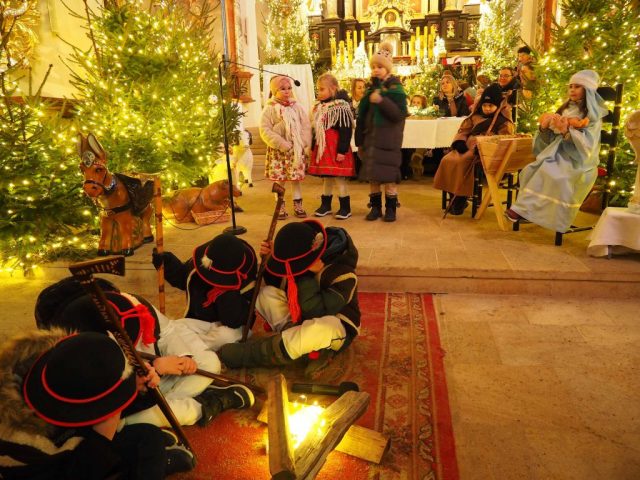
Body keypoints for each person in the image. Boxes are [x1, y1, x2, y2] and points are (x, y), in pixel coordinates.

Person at [34, 277, 255, 430]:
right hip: (123, 402)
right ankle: (203, 404)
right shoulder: (77, 351)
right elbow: (102, 403)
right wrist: (151, 373)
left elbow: (168, 331)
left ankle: (170, 403)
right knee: (122, 425)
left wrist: (183, 357)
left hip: (156, 380)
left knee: (209, 362)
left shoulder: (135, 306)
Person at [0, 329, 185, 479]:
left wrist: (136, 388)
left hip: (80, 438)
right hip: (62, 467)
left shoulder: (70, 371)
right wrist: (103, 437)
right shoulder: (16, 443)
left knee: (149, 435)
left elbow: (101, 401)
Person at [218, 219, 360, 378]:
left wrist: (307, 276)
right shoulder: (303, 260)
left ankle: (253, 354)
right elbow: (279, 285)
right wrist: (271, 258)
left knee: (323, 327)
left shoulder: (344, 274)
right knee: (266, 294)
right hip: (301, 318)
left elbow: (315, 311)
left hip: (334, 324)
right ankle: (301, 347)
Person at [505, 70, 608, 232]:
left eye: (577, 87)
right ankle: (528, 211)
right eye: (570, 86)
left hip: (577, 159)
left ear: (588, 90)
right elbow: (548, 141)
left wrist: (567, 132)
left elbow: (588, 144)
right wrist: (544, 128)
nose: (572, 90)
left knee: (555, 175)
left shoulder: (591, 116)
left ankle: (525, 211)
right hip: (555, 153)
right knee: (531, 169)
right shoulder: (565, 109)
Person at [433, 83, 515, 215]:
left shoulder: (503, 121)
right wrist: (459, 141)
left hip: (482, 152)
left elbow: (504, 139)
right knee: (447, 160)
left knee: (462, 163)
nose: (487, 108)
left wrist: (486, 146)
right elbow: (464, 130)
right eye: (484, 105)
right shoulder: (475, 116)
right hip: (466, 147)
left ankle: (460, 198)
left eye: (490, 106)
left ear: (498, 105)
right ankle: (453, 195)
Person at [150, 232, 257, 330]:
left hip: (229, 329)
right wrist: (167, 262)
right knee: (172, 330)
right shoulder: (202, 265)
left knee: (227, 336)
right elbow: (182, 276)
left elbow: (236, 321)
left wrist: (225, 293)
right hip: (197, 321)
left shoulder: (246, 282)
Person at [355, 41, 408, 222]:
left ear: (388, 69)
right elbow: (361, 117)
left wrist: (381, 101)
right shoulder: (370, 89)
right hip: (372, 139)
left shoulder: (396, 89)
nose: (376, 70)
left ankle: (391, 208)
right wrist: (359, 142)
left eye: (380, 67)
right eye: (373, 67)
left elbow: (399, 114)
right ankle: (375, 207)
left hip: (389, 140)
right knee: (374, 177)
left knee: (389, 177)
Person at [260, 75, 312, 220]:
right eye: (282, 89)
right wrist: (281, 143)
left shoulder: (297, 107)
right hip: (279, 151)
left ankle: (298, 204)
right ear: (274, 91)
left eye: (289, 88)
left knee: (295, 180)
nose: (287, 91)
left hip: (295, 150)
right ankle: (280, 205)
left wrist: (303, 142)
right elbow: (265, 130)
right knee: (280, 179)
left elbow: (305, 125)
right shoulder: (270, 108)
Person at [309, 73, 355, 219]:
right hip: (323, 148)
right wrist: (312, 147)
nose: (319, 92)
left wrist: (342, 150)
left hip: (335, 148)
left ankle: (345, 207)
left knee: (339, 178)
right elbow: (315, 128)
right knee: (327, 177)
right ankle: (326, 205)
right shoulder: (319, 107)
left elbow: (346, 129)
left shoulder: (341, 106)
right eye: (318, 89)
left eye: (322, 89)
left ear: (333, 89)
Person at [350, 78, 367, 178]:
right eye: (359, 88)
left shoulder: (367, 102)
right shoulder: (347, 102)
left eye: (364, 87)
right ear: (353, 89)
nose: (362, 90)